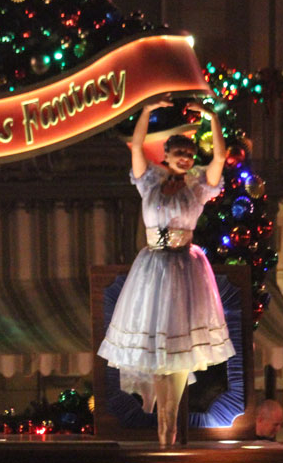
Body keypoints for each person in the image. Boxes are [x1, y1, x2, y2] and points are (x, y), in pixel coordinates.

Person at [97, 97, 232, 444]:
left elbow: (219, 157)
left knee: (179, 351)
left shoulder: (197, 187)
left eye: (189, 155)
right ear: (168, 155)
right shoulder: (150, 183)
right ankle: (164, 428)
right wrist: (146, 112)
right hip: (154, 268)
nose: (186, 159)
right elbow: (137, 145)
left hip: (184, 268)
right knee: (158, 352)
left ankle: (170, 427)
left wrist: (213, 119)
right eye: (179, 153)